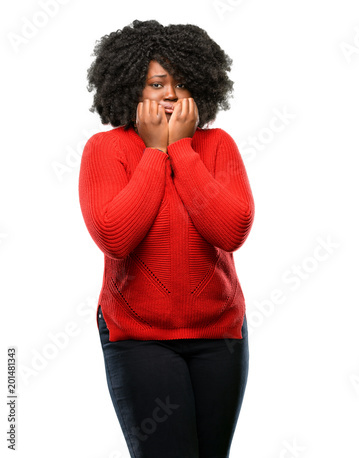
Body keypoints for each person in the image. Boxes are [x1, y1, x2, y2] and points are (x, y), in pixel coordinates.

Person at [79, 19, 253, 457]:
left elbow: (230, 231)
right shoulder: (105, 149)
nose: (171, 94)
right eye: (157, 83)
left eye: (181, 83)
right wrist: (156, 152)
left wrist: (181, 150)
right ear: (131, 90)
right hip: (139, 338)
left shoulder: (218, 146)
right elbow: (116, 235)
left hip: (221, 336)